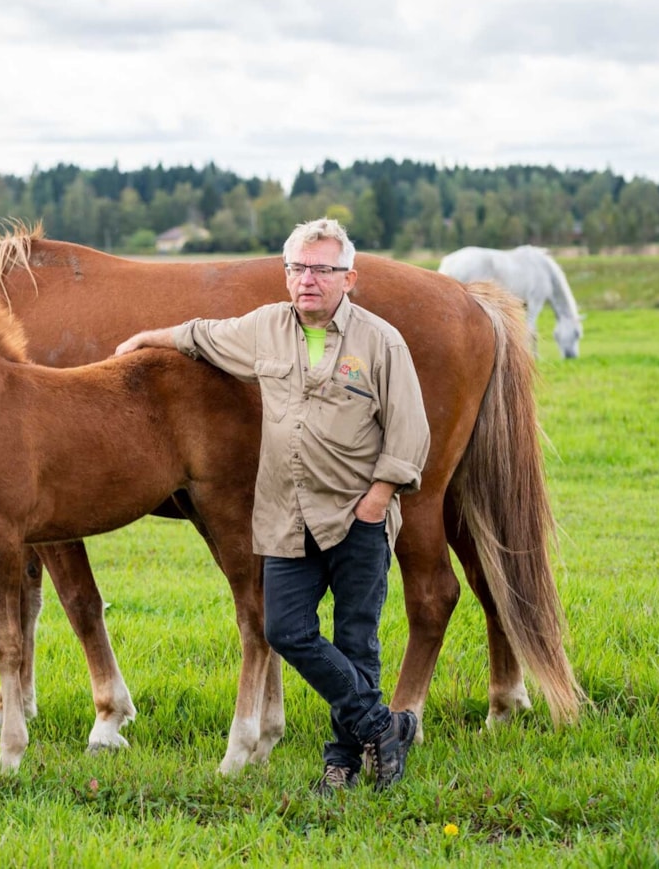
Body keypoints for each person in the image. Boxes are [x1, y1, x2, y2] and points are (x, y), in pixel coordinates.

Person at [115, 218, 430, 794]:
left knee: (356, 641)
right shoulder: (264, 328)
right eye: (298, 269)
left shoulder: (382, 342)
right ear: (287, 276)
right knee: (284, 629)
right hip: (285, 516)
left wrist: (379, 498)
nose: (308, 280)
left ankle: (342, 763)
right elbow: (201, 334)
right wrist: (145, 339)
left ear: (349, 278)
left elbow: (410, 430)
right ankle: (387, 726)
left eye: (322, 269)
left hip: (357, 513)